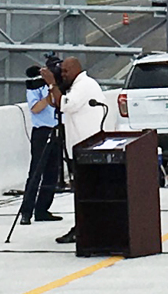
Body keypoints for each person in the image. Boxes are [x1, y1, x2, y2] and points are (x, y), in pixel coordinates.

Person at [50, 56, 110, 242]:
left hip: (88, 148)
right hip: (80, 148)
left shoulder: (84, 85)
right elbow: (56, 103)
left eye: (66, 71)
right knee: (83, 192)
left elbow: (65, 104)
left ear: (76, 69)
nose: (63, 75)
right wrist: (54, 87)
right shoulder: (76, 86)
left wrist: (53, 84)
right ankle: (84, 226)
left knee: (86, 192)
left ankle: (85, 228)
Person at [19, 65, 63, 224]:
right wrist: (49, 93)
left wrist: (54, 87)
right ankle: (26, 212)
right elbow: (35, 108)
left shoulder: (59, 85)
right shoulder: (35, 86)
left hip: (57, 129)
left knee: (53, 172)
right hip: (42, 132)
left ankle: (42, 209)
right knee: (36, 171)